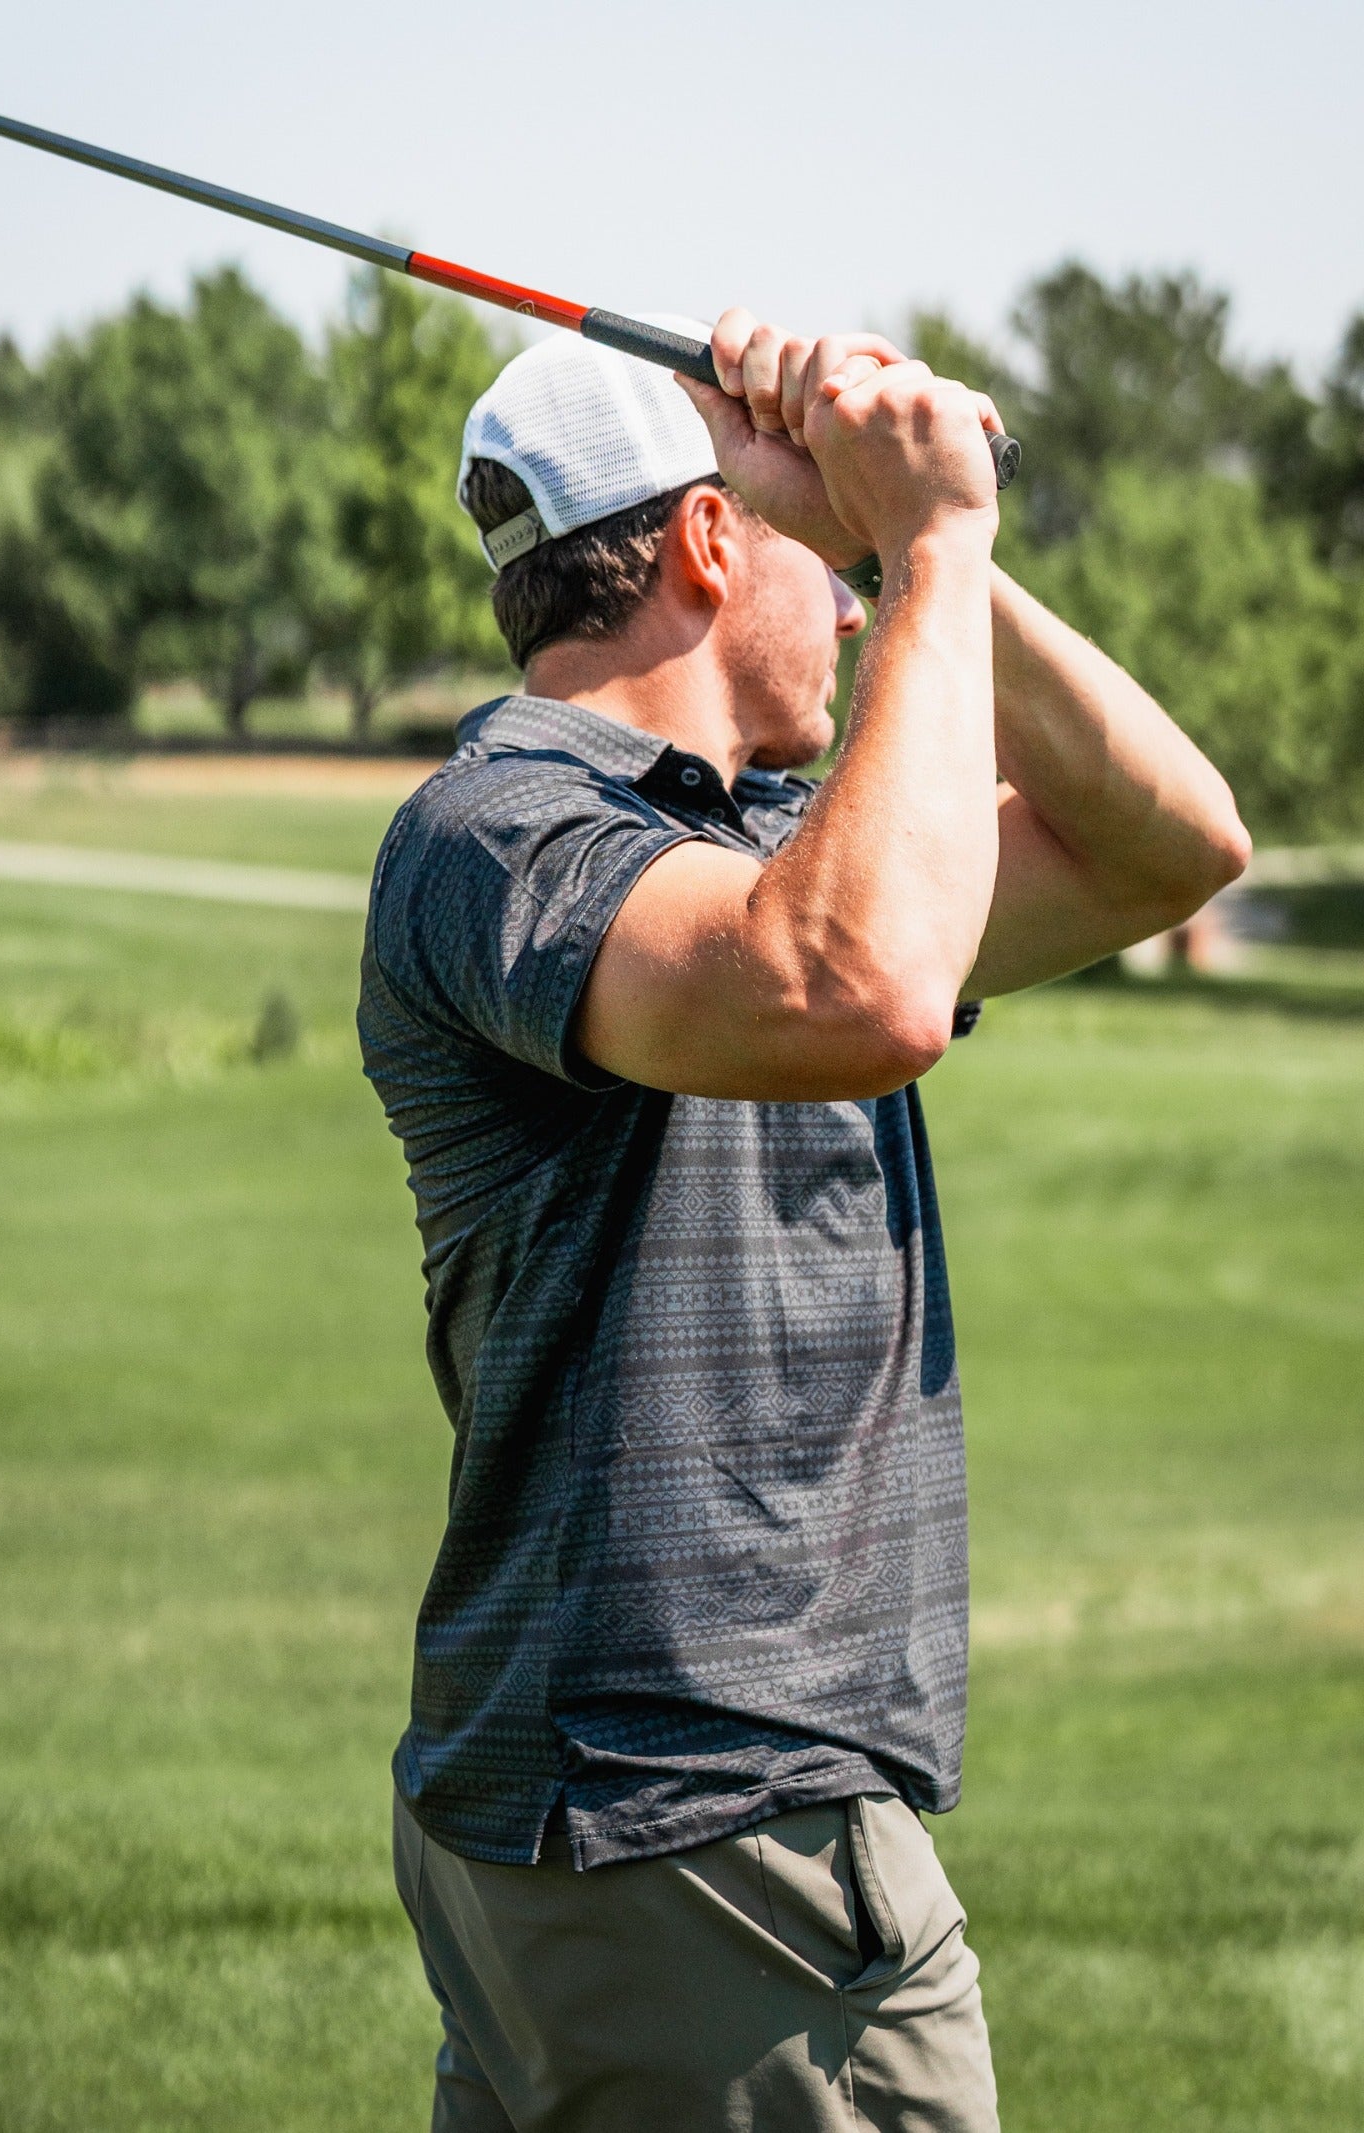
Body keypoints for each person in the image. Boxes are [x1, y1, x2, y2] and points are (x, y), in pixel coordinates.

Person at [357, 310, 1249, 2132]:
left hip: (635, 1819)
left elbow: (1175, 846)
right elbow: (858, 987)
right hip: (705, 1821)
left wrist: (930, 547)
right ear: (698, 545)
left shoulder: (773, 838)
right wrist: (923, 535)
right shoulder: (497, 834)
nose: (850, 609)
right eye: (811, 561)